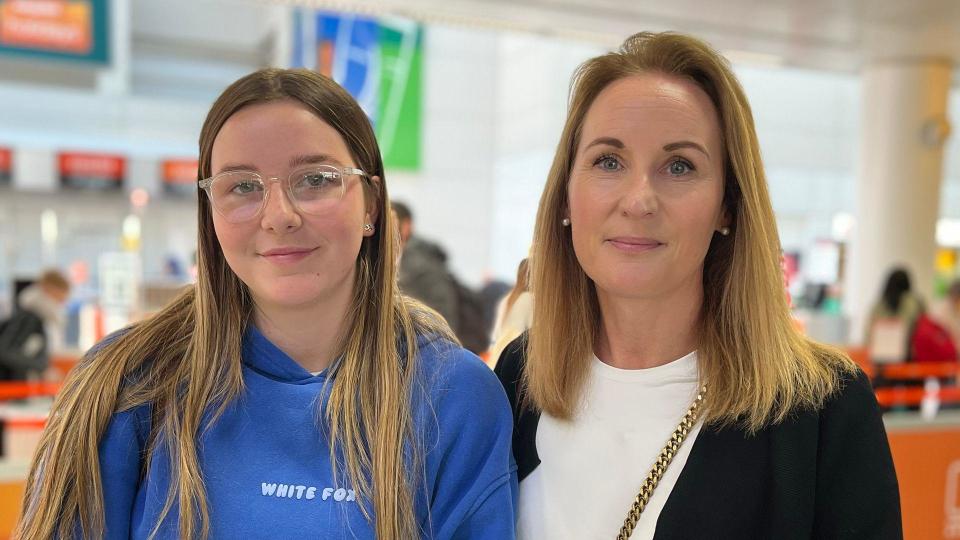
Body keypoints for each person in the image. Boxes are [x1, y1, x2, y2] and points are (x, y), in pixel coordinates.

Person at [17, 68, 516, 539]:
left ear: (370, 203)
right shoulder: (128, 383)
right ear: (210, 213)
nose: (279, 216)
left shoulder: (452, 395)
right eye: (242, 187)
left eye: (316, 179)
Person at [495, 32, 901, 539]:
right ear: (564, 196)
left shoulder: (821, 409)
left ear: (728, 206)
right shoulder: (521, 376)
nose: (639, 200)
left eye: (680, 166)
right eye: (608, 161)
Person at [0, 269, 70, 381]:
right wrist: (43, 368)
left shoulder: (37, 315)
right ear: (50, 289)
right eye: (62, 293)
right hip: (9, 385)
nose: (63, 300)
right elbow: (5, 351)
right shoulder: (30, 317)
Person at [866, 267, 926, 362]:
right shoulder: (915, 302)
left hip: (880, 357)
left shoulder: (879, 305)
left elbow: (868, 332)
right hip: (908, 356)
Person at [488, 259, 533, 368]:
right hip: (516, 356)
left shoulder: (509, 298)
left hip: (499, 353)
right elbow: (535, 331)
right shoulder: (529, 299)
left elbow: (496, 332)